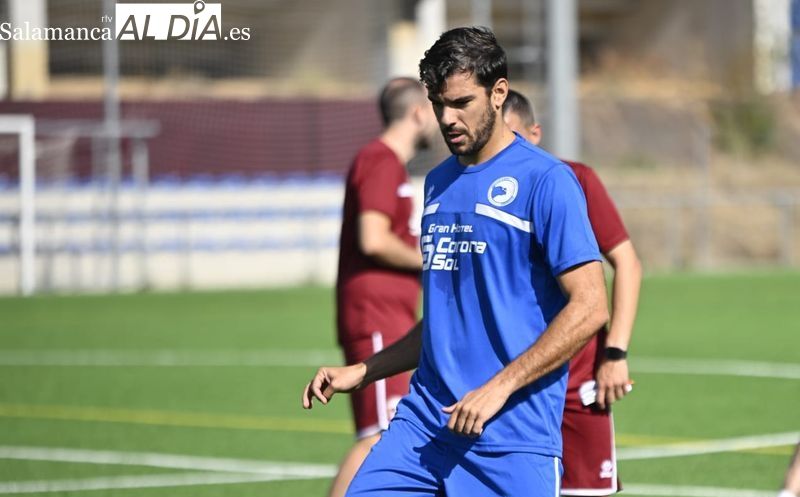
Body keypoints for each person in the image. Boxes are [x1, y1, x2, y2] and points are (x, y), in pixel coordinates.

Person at [303, 27, 609, 497]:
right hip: (423, 428)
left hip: (511, 438)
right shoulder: (439, 183)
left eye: (461, 103)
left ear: (498, 93)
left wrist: (498, 388)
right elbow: (444, 319)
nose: (447, 119)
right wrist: (364, 371)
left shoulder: (548, 181)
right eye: (438, 104)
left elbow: (590, 306)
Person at [503, 89, 642, 496]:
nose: (508, 150)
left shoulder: (574, 179)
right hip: (510, 382)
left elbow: (628, 264)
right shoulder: (487, 188)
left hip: (577, 384)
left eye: (516, 137)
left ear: (536, 133)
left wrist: (614, 353)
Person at [330, 77, 438, 497]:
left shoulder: (388, 163)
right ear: (417, 112)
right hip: (373, 313)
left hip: (392, 315)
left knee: (391, 429)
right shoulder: (379, 159)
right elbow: (373, 239)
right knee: (378, 433)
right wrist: (434, 261)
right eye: (435, 108)